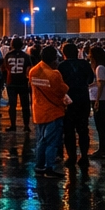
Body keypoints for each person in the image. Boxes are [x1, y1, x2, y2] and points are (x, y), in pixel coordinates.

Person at [29, 46, 69, 177]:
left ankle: (39, 166)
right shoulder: (54, 75)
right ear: (53, 60)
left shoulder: (33, 71)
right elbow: (63, 90)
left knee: (41, 140)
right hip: (53, 112)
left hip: (38, 111)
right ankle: (49, 168)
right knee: (52, 142)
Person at [57, 43, 95, 166]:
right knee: (83, 129)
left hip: (68, 101)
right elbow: (90, 79)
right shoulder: (84, 64)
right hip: (83, 99)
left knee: (69, 130)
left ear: (64, 53)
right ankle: (84, 156)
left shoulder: (61, 66)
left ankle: (71, 157)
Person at [4, 38, 32, 131]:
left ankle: (13, 125)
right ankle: (26, 125)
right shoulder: (26, 56)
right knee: (25, 105)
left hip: (11, 82)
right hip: (23, 82)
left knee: (12, 105)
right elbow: (29, 69)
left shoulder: (8, 55)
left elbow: (5, 68)